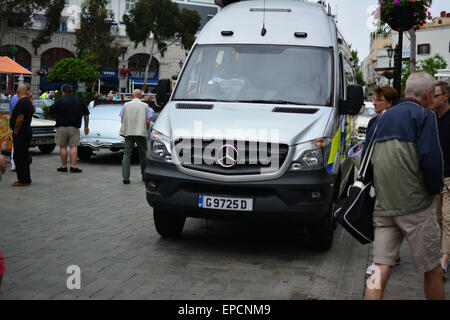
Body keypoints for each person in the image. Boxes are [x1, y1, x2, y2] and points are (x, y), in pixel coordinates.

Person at [364, 72, 444, 300]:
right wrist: (434, 191)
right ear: (428, 94)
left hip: (384, 205)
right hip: (416, 205)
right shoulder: (424, 115)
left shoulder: (381, 118)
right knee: (433, 269)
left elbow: (368, 160)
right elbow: (430, 159)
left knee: (379, 267)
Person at [49, 84, 89, 173]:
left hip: (61, 127)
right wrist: (86, 126)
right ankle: (73, 166)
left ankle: (63, 166)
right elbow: (86, 115)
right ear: (72, 91)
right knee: (74, 146)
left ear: (63, 92)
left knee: (63, 146)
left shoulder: (60, 100)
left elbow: (51, 111)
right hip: (74, 127)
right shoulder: (79, 100)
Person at [433, 80, 450, 281]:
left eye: (436, 96)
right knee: (439, 220)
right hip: (437, 177)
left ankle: (443, 262)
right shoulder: (432, 119)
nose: (433, 99)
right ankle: (443, 253)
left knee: (447, 219)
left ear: (446, 96)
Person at [119, 89, 152, 184]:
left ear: (133, 96)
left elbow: (122, 120)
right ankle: (144, 175)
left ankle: (125, 176)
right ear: (140, 96)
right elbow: (148, 121)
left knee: (126, 154)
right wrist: (145, 129)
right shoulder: (145, 106)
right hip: (140, 133)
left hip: (129, 133)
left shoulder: (126, 105)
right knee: (143, 154)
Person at [9, 84, 34, 187]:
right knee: (23, 156)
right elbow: (33, 110)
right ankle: (26, 179)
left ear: (18, 92)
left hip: (21, 133)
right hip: (26, 132)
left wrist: (15, 130)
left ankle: (22, 180)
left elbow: (20, 118)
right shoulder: (28, 101)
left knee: (19, 157)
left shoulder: (22, 102)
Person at [8, 93, 19, 171]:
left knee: (14, 144)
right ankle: (16, 163)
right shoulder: (25, 99)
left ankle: (13, 163)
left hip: (13, 122)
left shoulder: (12, 99)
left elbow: (10, 112)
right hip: (20, 124)